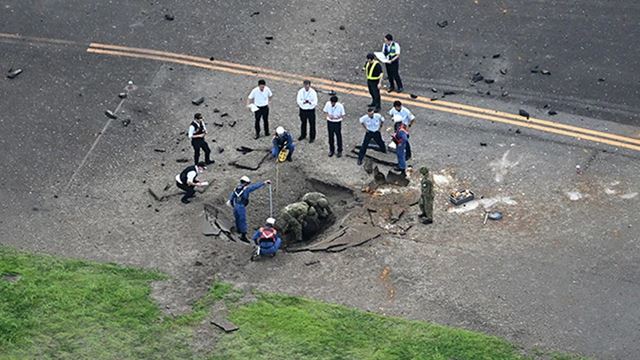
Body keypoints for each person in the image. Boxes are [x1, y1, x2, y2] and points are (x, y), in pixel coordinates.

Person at [228, 176, 271, 242]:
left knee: (237, 219)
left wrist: (233, 205)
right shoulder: (246, 189)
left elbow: (231, 198)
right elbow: (254, 187)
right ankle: (243, 235)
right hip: (241, 206)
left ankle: (238, 231)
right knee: (242, 220)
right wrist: (264, 183)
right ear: (245, 183)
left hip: (236, 205)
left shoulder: (236, 189)